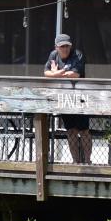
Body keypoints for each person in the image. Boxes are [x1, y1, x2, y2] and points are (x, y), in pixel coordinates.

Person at [43, 34, 91, 164]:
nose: (65, 49)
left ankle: (88, 161)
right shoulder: (53, 55)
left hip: (81, 98)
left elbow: (75, 74)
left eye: (67, 46)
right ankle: (75, 162)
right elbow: (46, 73)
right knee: (71, 131)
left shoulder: (77, 55)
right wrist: (60, 72)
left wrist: (56, 73)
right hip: (64, 98)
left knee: (84, 131)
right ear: (56, 47)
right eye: (62, 46)